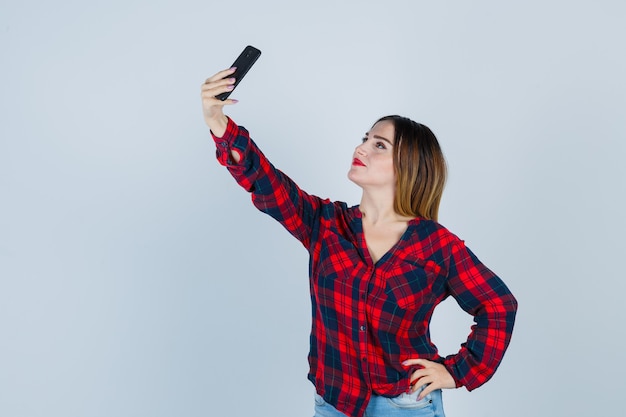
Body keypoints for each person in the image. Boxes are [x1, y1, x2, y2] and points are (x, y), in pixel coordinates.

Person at [201, 67, 518, 417]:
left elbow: (498, 305)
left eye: (378, 145)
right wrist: (218, 121)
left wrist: (457, 372)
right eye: (365, 138)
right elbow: (267, 184)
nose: (361, 147)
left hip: (407, 406)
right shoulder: (326, 224)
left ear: (408, 165)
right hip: (335, 404)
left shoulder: (436, 246)